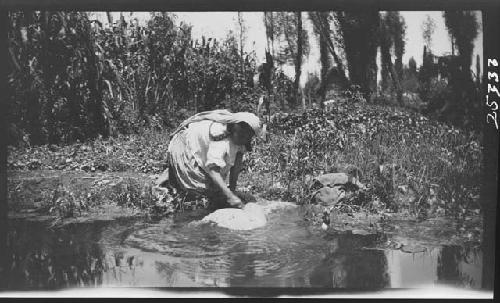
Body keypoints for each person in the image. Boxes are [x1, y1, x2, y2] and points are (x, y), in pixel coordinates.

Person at [157, 109, 262, 209]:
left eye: (247, 137)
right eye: (242, 135)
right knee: (198, 190)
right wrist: (230, 197)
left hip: (202, 146)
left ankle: (170, 181)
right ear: (234, 128)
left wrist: (232, 191)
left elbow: (236, 167)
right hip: (185, 146)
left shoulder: (242, 140)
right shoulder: (220, 139)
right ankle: (167, 192)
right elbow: (212, 170)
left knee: (217, 190)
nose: (243, 139)